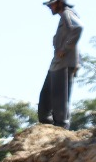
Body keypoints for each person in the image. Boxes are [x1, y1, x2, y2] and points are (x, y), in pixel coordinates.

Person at [37, 0, 82, 129]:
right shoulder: (63, 17)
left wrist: (65, 48)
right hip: (57, 64)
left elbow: (78, 28)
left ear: (60, 3)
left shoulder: (68, 14)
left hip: (65, 63)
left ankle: (61, 130)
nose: (50, 7)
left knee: (60, 103)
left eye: (52, 4)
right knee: (45, 105)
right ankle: (49, 130)